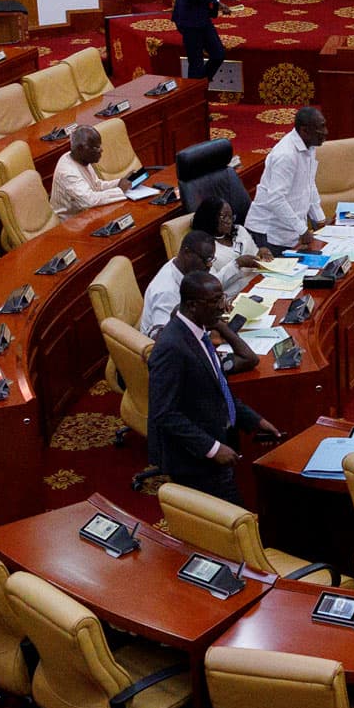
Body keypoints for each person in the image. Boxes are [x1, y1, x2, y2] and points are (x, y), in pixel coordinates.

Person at [146, 275, 282, 504]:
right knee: (232, 517)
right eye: (215, 301)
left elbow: (217, 390)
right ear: (192, 305)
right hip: (194, 459)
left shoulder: (199, 333)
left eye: (222, 298)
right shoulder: (171, 347)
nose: (222, 307)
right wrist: (212, 448)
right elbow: (164, 413)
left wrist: (254, 420)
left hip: (215, 439)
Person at [249, 107, 329, 251]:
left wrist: (319, 219)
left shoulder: (310, 146)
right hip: (269, 233)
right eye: (321, 128)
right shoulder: (286, 155)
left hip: (291, 230)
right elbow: (276, 199)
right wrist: (302, 230)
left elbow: (309, 185)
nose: (326, 132)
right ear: (305, 131)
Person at [140, 228, 215, 343]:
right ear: (187, 253)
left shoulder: (186, 268)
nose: (209, 264)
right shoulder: (166, 291)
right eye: (206, 259)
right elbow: (166, 339)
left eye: (211, 259)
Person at [51, 125, 130, 215]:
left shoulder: (81, 158)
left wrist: (119, 182)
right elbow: (89, 201)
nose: (101, 150)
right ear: (80, 149)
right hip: (72, 221)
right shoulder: (68, 172)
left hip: (88, 213)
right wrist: (120, 190)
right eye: (96, 148)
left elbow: (96, 186)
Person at [187, 193, 263, 286]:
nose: (229, 221)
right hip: (234, 291)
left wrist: (261, 254)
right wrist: (236, 264)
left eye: (231, 216)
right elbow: (210, 285)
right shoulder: (202, 248)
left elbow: (255, 257)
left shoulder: (239, 230)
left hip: (258, 283)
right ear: (209, 218)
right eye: (224, 217)